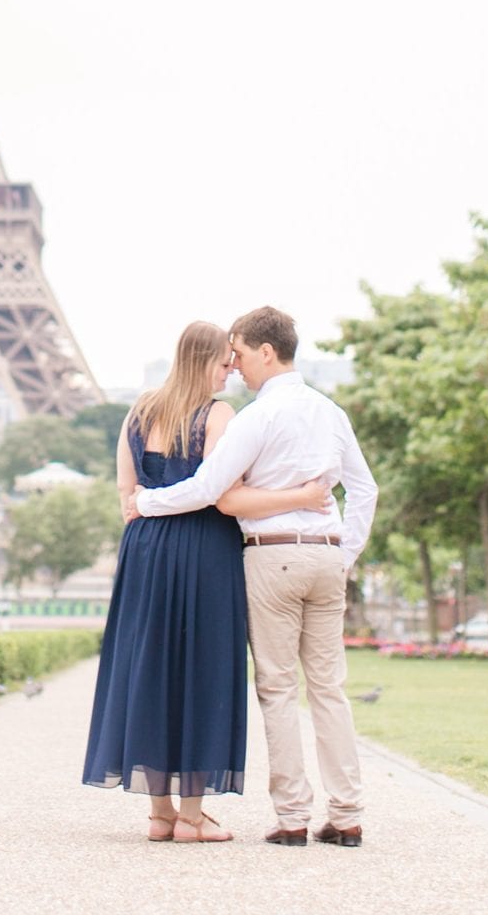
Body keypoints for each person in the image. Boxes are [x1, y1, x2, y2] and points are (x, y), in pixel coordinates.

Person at [132, 305, 378, 849]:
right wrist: (345, 556)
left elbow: (208, 489)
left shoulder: (255, 418)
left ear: (267, 352)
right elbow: (365, 491)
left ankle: (293, 818)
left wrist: (147, 502)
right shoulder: (331, 412)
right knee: (330, 689)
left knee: (278, 688)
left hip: (272, 557)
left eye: (240, 354)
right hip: (326, 557)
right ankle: (347, 814)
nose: (236, 366)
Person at [82, 320, 334, 842]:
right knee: (201, 671)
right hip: (204, 550)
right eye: (225, 361)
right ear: (204, 362)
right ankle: (194, 817)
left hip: (146, 549)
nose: (232, 369)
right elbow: (221, 490)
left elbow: (125, 492)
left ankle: (159, 813)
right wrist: (303, 498)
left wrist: (148, 518)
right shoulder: (219, 415)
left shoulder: (139, 410)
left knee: (149, 668)